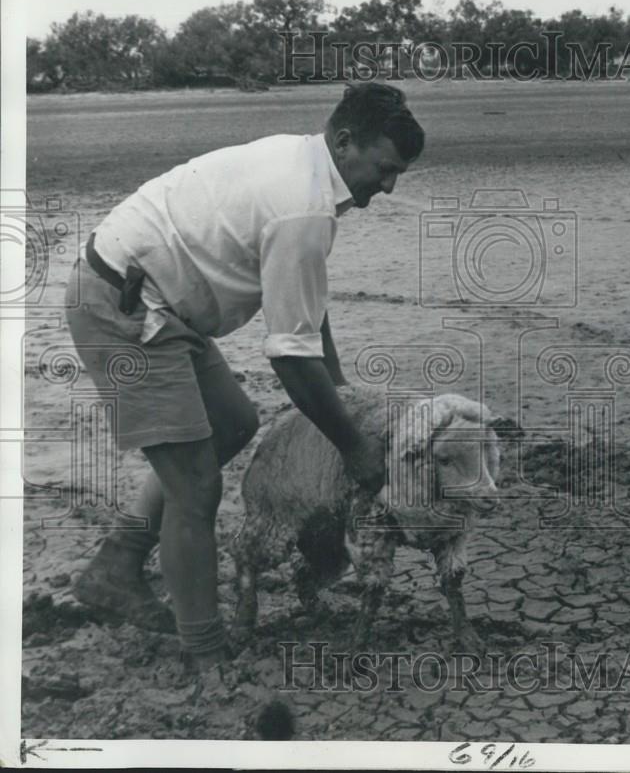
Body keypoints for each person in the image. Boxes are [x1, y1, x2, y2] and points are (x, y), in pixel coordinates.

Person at [64, 82, 424, 671]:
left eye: (398, 176)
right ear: (345, 141)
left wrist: (340, 395)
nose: (386, 187)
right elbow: (288, 357)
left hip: (162, 301)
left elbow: (305, 306)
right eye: (383, 169)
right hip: (124, 304)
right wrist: (353, 446)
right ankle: (204, 653)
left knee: (232, 422)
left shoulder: (306, 170)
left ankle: (119, 561)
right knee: (196, 487)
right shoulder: (301, 204)